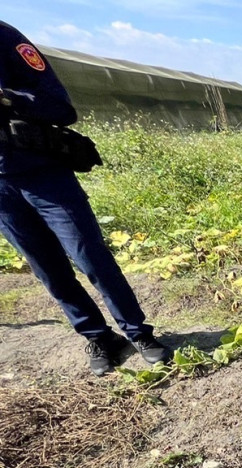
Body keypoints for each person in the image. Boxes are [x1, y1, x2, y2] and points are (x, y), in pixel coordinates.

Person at [0, 20, 169, 376]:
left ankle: (138, 333)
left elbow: (60, 107)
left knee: (90, 257)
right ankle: (99, 337)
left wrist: (7, 99)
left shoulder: (5, 38)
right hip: (2, 191)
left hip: (45, 175)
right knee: (48, 270)